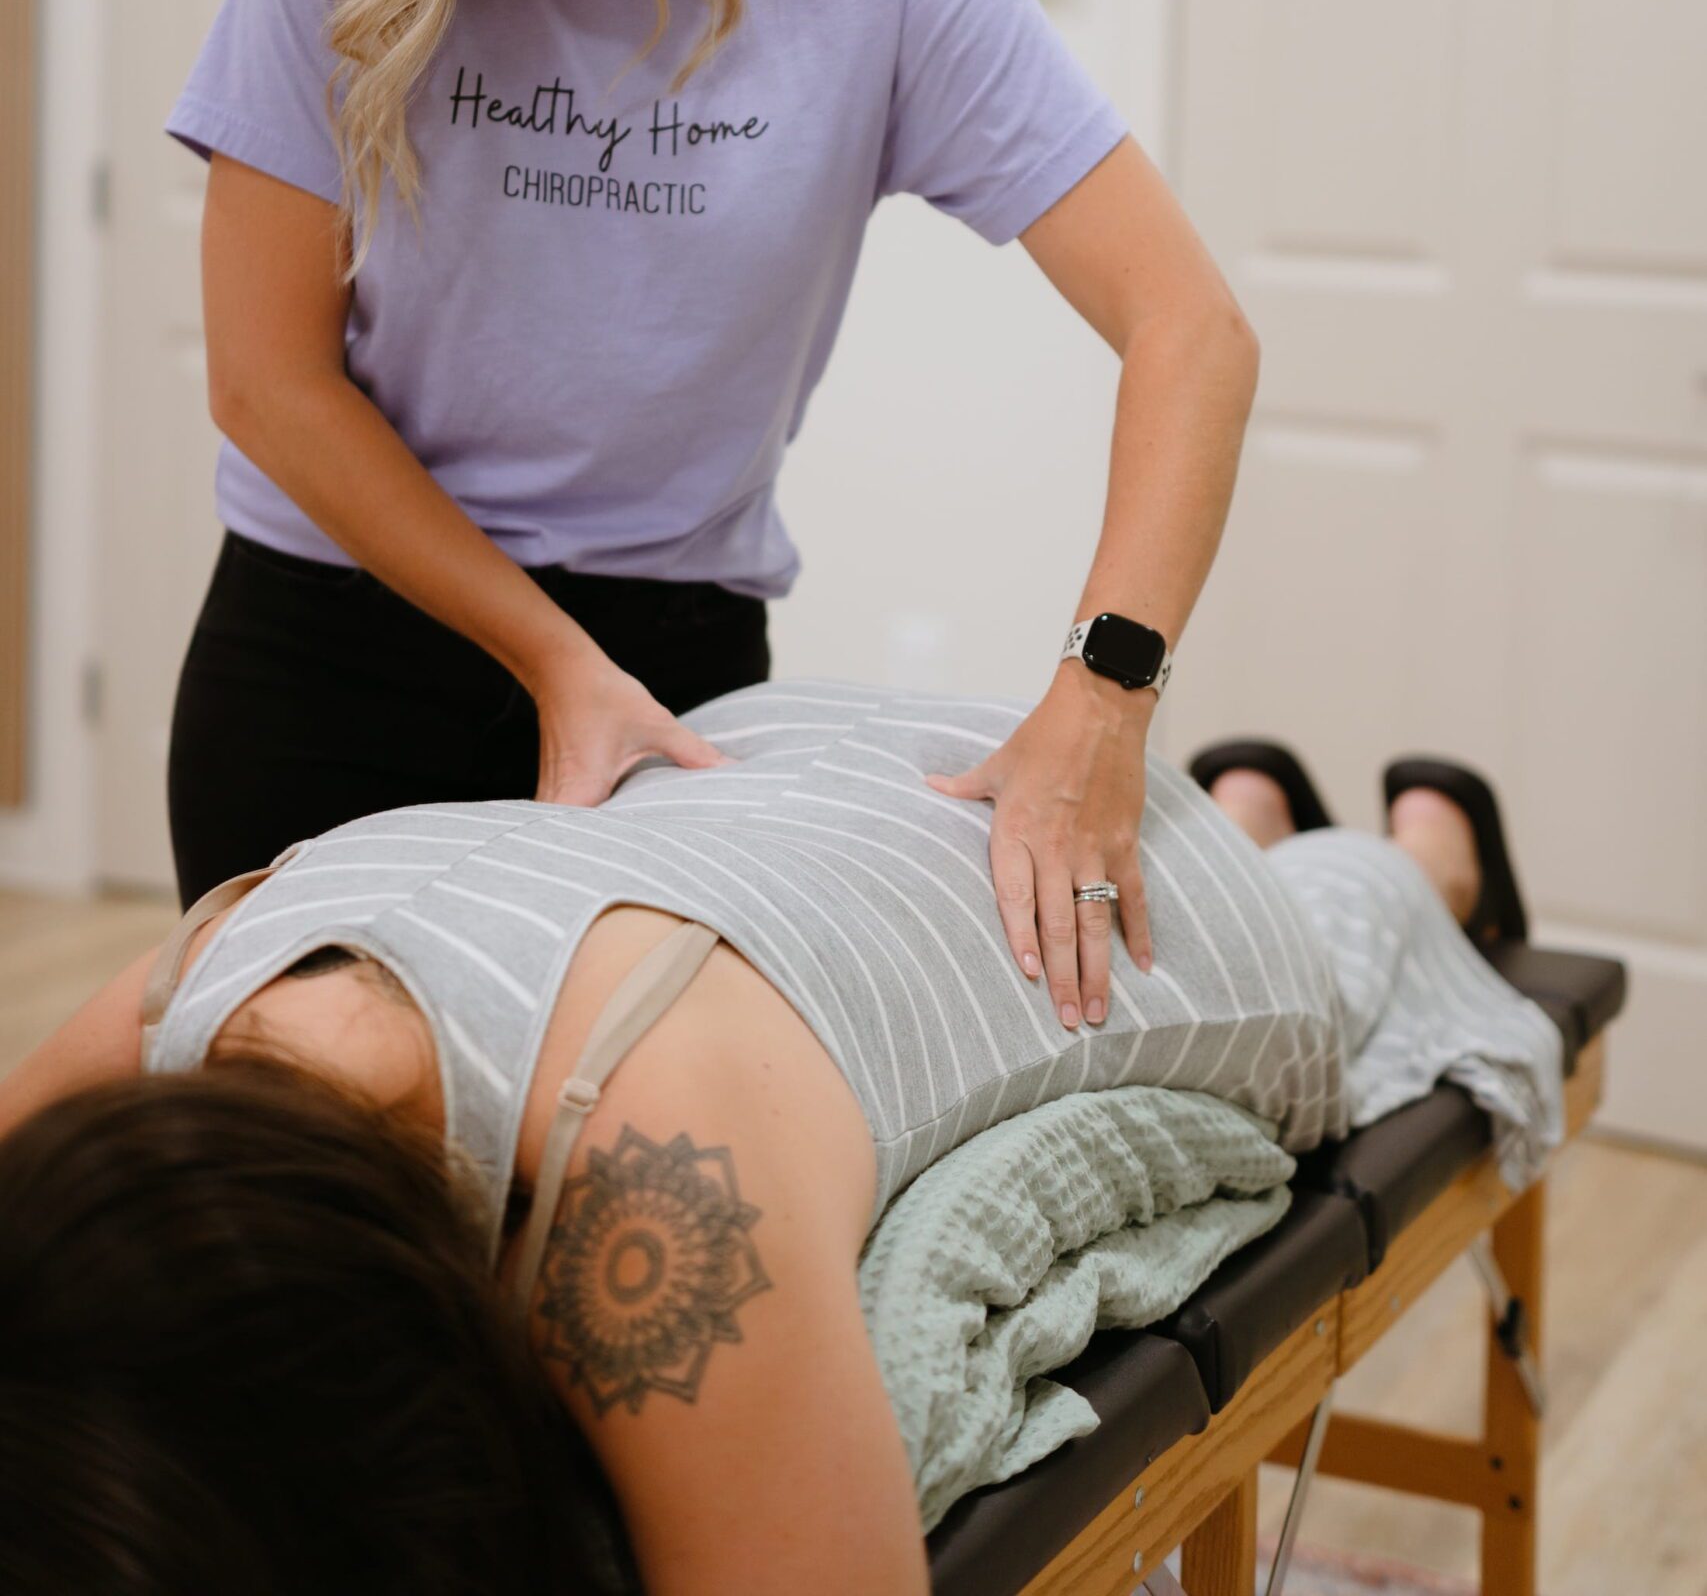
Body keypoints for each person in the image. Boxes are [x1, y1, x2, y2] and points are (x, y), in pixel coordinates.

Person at [161, 0, 1262, 1041]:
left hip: (672, 664)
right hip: (335, 647)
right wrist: (545, 657)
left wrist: (1107, 692)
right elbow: (266, 383)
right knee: (305, 1243)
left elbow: (1191, 330)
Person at [0, 681, 1563, 1596]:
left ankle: (1411, 856)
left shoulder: (649, 1212)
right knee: (1168, 837)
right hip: (769, 764)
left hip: (1086, 921)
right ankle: (1233, 799)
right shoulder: (165, 1022)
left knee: (1329, 948)